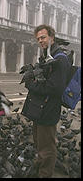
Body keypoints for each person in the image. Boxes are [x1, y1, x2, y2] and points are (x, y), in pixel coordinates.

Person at [21, 24, 71, 178]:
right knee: (38, 142)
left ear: (52, 37)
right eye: (38, 39)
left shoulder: (59, 59)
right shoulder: (47, 55)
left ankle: (45, 174)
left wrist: (30, 83)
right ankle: (39, 165)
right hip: (39, 108)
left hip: (47, 110)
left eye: (43, 37)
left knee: (47, 148)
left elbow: (55, 88)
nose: (40, 41)